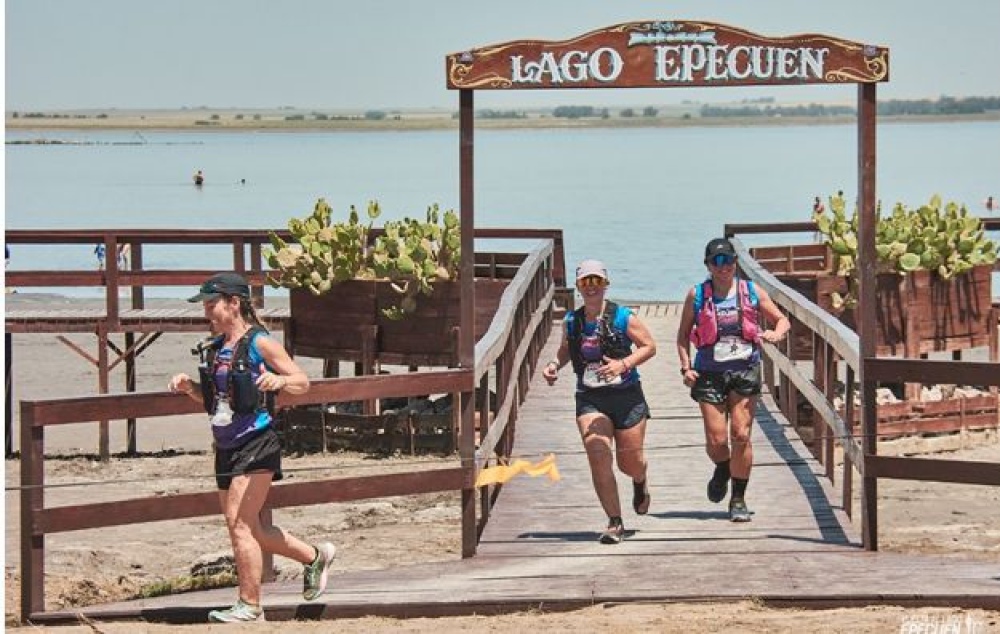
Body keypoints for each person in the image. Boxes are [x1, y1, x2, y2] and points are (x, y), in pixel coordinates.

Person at [168, 272, 335, 623]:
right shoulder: (216, 348)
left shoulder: (260, 342)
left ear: (234, 303)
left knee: (241, 525)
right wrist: (189, 388)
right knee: (247, 528)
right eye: (205, 305)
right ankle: (314, 557)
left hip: (258, 442)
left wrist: (280, 380)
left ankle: (249, 606)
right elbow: (216, 400)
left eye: (212, 304)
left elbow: (302, 381)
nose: (207, 312)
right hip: (225, 445)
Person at [541, 260, 657, 544]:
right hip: (591, 397)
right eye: (585, 282)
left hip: (627, 397)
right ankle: (615, 521)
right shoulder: (572, 321)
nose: (591, 288)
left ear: (606, 284)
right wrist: (555, 364)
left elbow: (649, 346)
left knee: (629, 463)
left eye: (596, 282)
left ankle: (640, 480)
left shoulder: (622, 317)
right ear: (578, 286)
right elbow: (566, 351)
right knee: (597, 453)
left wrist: (623, 364)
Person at [675, 238, 790, 523]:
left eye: (727, 261)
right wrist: (685, 367)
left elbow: (782, 320)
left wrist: (777, 333)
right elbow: (682, 336)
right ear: (708, 265)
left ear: (735, 263)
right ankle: (723, 468)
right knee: (716, 440)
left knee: (741, 435)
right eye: (717, 262)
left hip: (745, 369)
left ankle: (738, 498)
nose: (723, 267)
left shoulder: (751, 291)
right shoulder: (697, 295)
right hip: (709, 372)